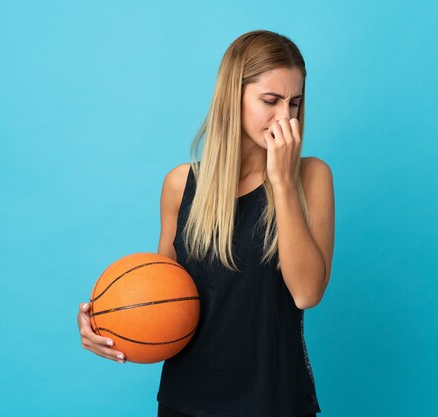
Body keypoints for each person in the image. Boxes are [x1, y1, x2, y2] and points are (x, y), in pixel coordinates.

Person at [77, 29, 335, 417]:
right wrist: (103, 323)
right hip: (186, 403)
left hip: (276, 401)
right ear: (234, 98)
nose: (286, 117)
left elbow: (306, 293)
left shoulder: (311, 177)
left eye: (295, 103)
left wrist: (280, 180)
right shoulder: (180, 185)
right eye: (270, 100)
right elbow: (159, 299)